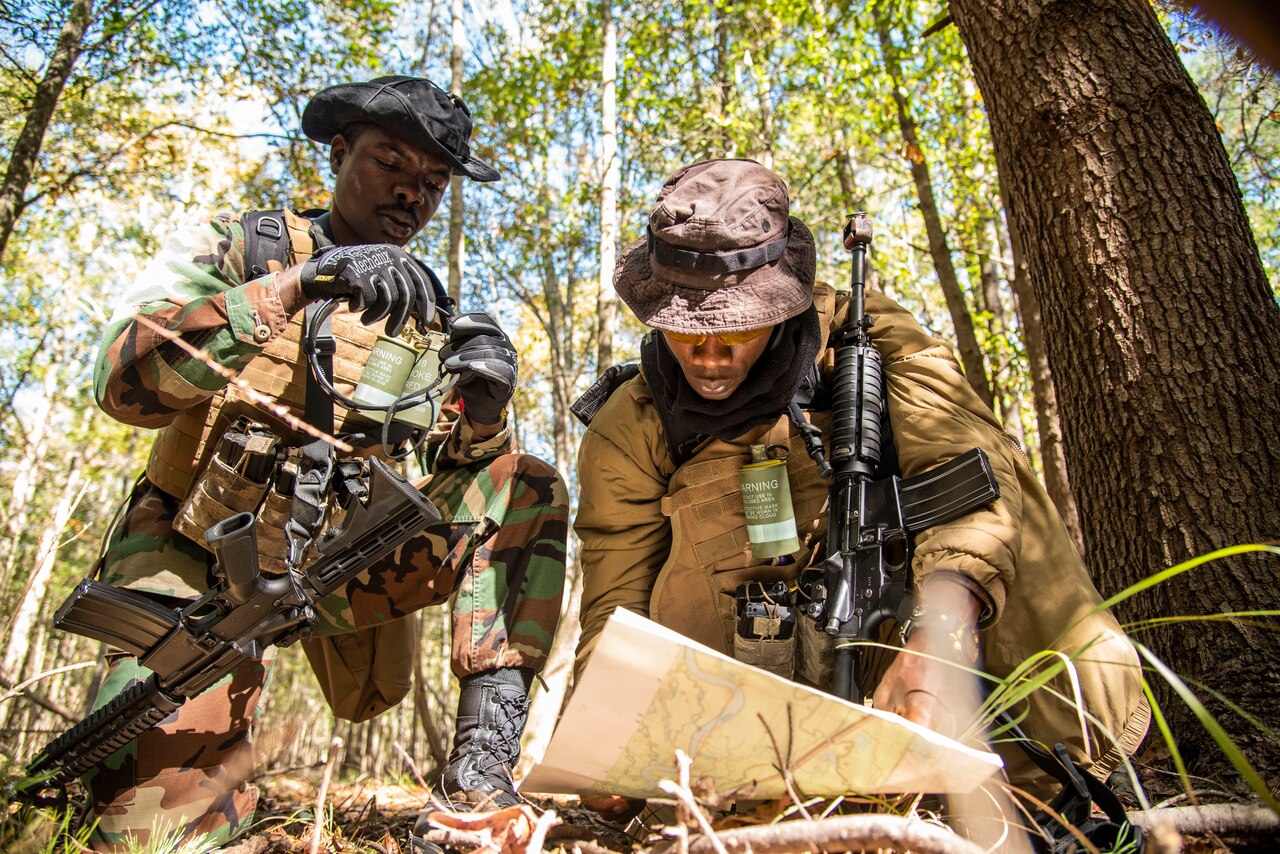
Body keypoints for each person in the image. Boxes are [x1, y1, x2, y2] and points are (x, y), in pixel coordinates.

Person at [572, 159, 1148, 812]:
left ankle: (1039, 787)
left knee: (992, 482)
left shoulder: (870, 341)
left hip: (940, 678)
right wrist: (606, 735)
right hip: (752, 733)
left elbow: (968, 488)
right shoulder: (631, 427)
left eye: (736, 330)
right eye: (686, 329)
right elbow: (614, 603)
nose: (709, 356)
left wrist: (940, 643)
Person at [83, 76, 568, 850]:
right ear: (340, 154)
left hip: (335, 568)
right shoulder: (248, 250)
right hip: (199, 563)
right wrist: (294, 288)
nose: (412, 194)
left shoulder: (430, 314)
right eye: (390, 165)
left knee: (526, 481)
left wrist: (484, 417)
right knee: (151, 833)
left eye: (433, 184)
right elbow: (122, 382)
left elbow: (466, 476)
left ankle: (480, 773)